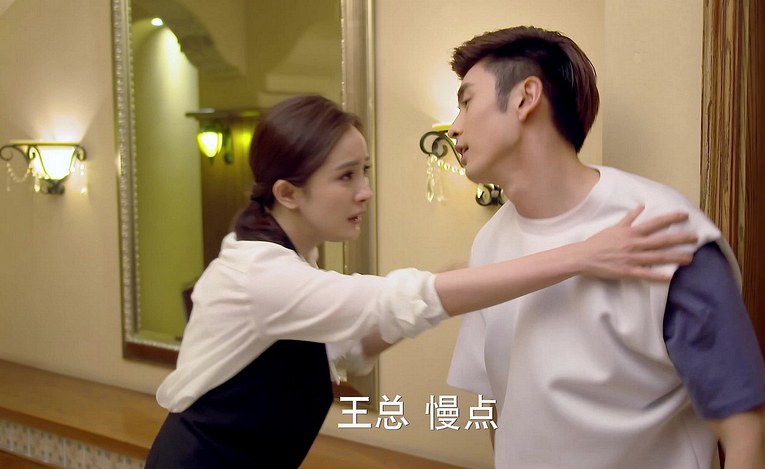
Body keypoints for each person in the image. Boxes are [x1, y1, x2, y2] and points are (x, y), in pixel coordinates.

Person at [144, 94, 697, 468]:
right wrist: (581, 255)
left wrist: (448, 287)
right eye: (345, 176)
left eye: (364, 171)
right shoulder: (259, 276)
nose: (365, 191)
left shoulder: (289, 264)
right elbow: (396, 300)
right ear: (288, 193)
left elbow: (341, 352)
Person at [445, 26, 765, 469]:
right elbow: (498, 404)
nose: (454, 127)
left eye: (467, 102)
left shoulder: (663, 234)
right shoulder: (489, 243)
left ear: (526, 97)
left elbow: (753, 440)